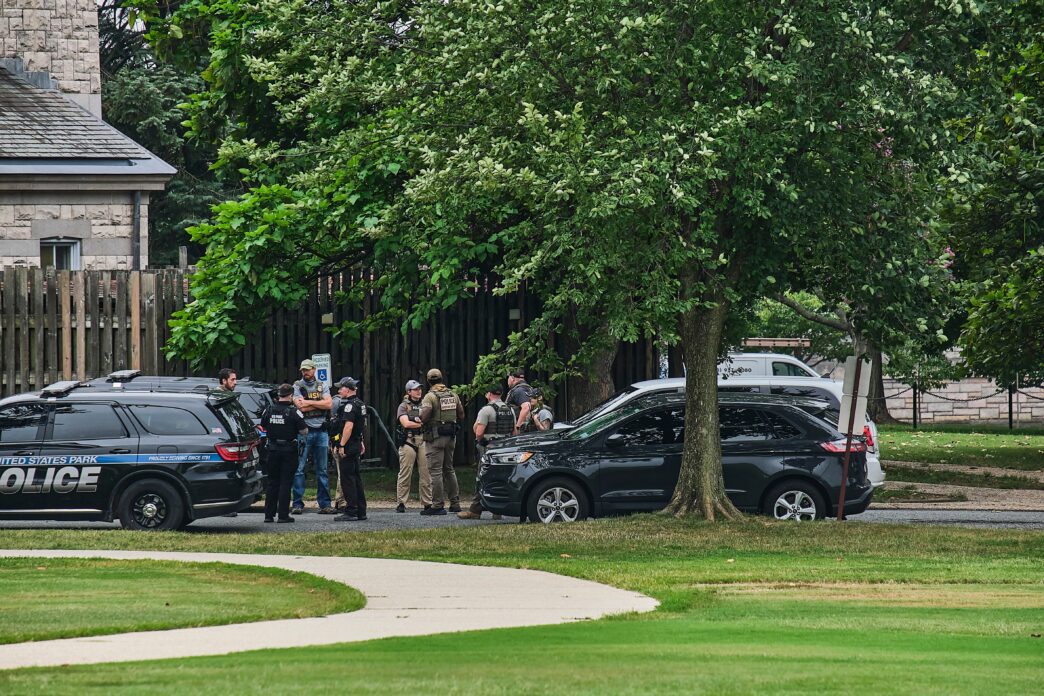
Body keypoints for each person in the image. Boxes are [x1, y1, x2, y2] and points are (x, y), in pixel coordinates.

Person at [458, 385, 511, 520]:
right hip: (505, 448)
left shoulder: (486, 410)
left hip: (489, 448)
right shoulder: (510, 409)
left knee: (482, 478)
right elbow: (515, 432)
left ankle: (475, 511)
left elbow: (479, 432)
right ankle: (497, 511)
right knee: (501, 478)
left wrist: (478, 438)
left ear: (488, 394)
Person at [291, 359, 336, 515]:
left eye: (308, 370)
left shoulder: (322, 385)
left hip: (321, 432)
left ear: (314, 369)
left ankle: (325, 504)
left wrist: (309, 402)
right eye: (303, 370)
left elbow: (329, 404)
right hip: (304, 432)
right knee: (299, 469)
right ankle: (297, 504)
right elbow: (300, 406)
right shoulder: (297, 386)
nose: (305, 372)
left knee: (322, 469)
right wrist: (319, 402)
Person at [419, 367, 464, 515]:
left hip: (435, 438)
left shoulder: (430, 397)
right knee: (449, 469)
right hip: (451, 437)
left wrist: (420, 416)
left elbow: (424, 417)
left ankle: (437, 505)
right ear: (441, 378)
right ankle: (455, 503)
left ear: (428, 380)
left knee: (436, 472)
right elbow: (461, 414)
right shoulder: (453, 394)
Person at [260, 383, 307, 523]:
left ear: (279, 395)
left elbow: (263, 425)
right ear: (291, 396)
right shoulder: (294, 412)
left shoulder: (268, 410)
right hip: (288, 450)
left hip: (272, 449)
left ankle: (268, 515)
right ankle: (283, 515)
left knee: (272, 482)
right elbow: (304, 431)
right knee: (286, 482)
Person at [333, 377, 368, 521]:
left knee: (347, 479)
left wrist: (341, 445)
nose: (339, 390)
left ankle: (351, 510)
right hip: (356, 442)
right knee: (356, 477)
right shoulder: (360, 404)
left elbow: (349, 426)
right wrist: (361, 441)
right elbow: (361, 426)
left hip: (348, 444)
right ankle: (361, 510)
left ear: (348, 389)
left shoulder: (349, 406)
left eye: (341, 388)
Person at [394, 379, 431, 513]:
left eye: (420, 389)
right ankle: (401, 503)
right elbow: (406, 424)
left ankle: (427, 502)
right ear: (409, 392)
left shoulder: (425, 404)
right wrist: (421, 424)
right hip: (408, 441)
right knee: (405, 473)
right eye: (415, 389)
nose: (419, 391)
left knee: (426, 473)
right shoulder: (403, 406)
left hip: (423, 440)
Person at [217, 367, 240, 516]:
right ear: (224, 380)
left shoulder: (229, 395)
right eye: (232, 379)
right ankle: (224, 507)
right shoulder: (218, 397)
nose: (235, 382)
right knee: (224, 474)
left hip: (230, 439)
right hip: (222, 440)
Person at [505, 370, 534, 435]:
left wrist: (517, 427)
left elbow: (526, 407)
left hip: (520, 432)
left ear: (512, 378)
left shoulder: (519, 390)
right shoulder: (527, 388)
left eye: (508, 378)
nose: (508, 380)